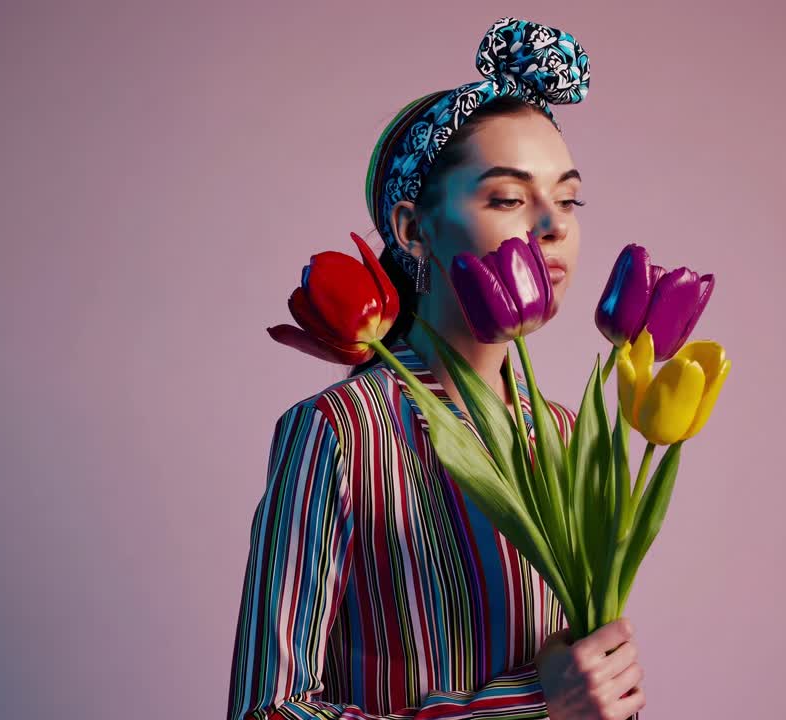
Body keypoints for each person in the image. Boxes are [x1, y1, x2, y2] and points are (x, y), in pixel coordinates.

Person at [228, 17, 645, 720]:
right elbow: (266, 711)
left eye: (568, 199)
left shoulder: (570, 437)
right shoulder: (340, 433)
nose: (553, 226)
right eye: (508, 199)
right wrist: (532, 704)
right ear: (412, 228)